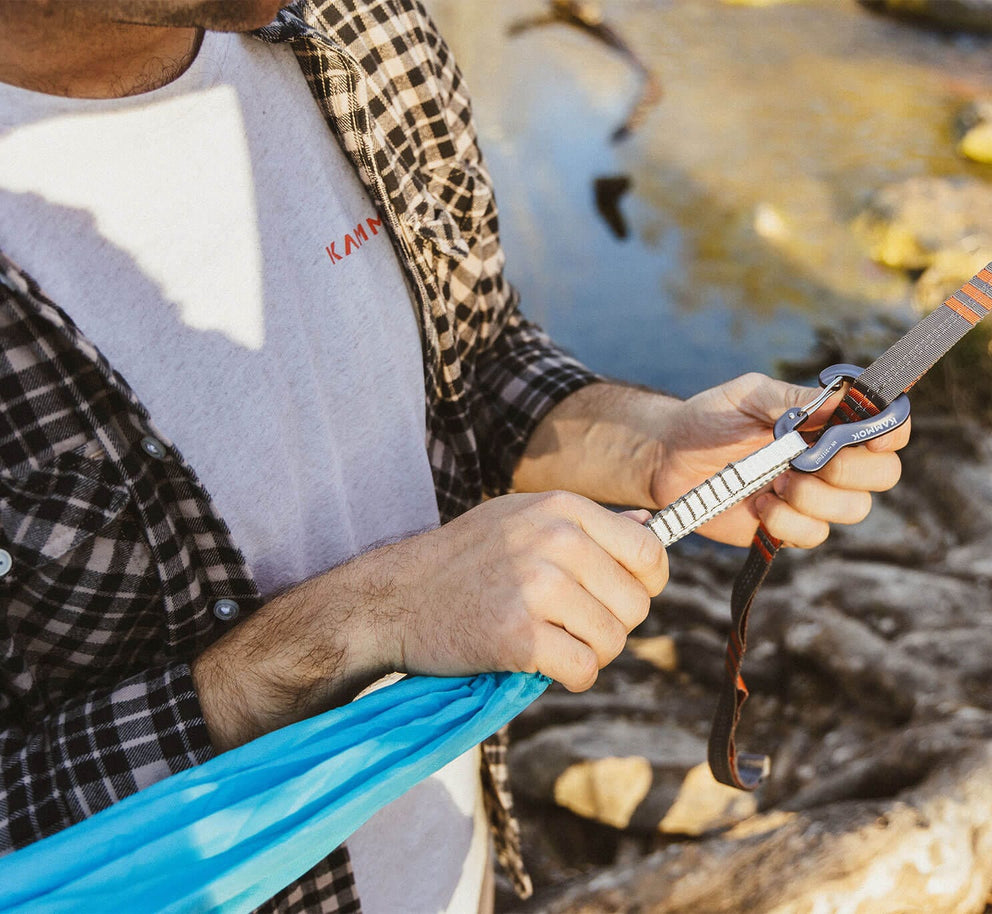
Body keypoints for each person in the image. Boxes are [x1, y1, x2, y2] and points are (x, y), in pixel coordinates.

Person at [0, 1, 910, 912]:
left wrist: (658, 445)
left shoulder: (359, 29)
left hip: (453, 867)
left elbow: (473, 361)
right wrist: (368, 617)